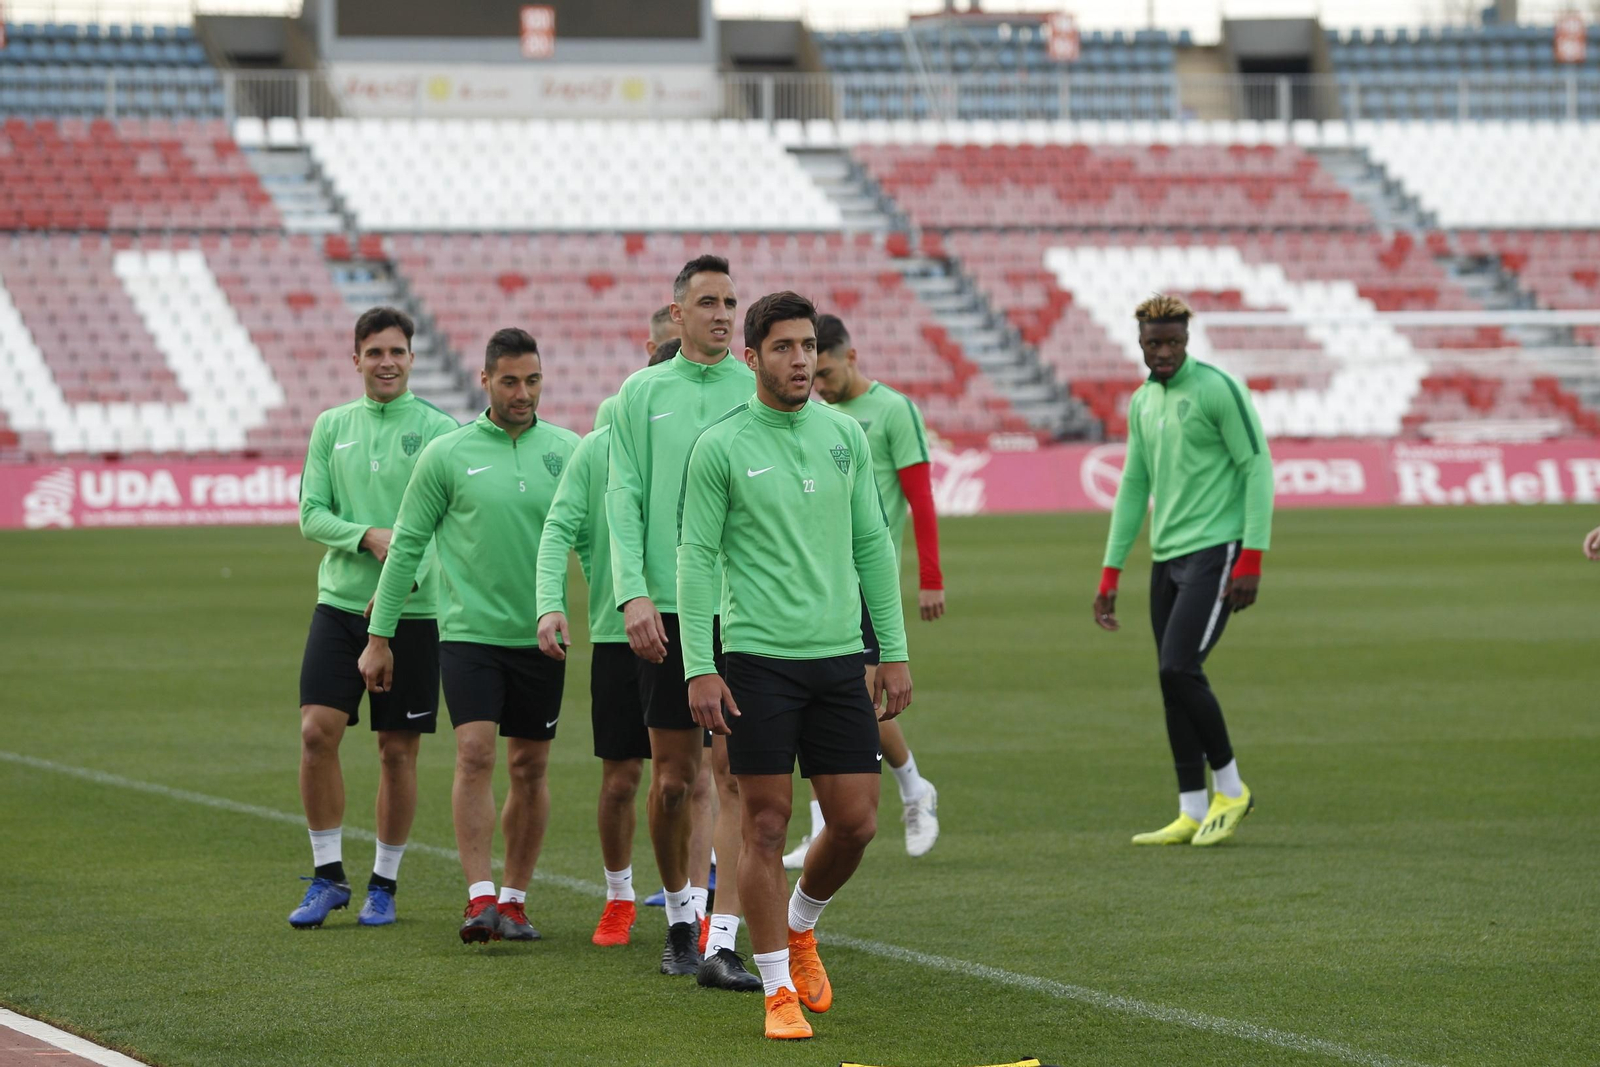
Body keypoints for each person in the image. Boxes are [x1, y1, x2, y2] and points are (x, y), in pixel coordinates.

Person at [678, 291, 912, 1040]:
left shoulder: (845, 435)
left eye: (809, 345)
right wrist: (698, 666)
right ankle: (777, 988)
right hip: (756, 662)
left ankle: (802, 923)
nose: (802, 359)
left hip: (841, 659)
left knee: (856, 823)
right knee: (766, 822)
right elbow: (694, 559)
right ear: (752, 357)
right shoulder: (719, 445)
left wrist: (893, 649)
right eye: (783, 347)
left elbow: (872, 544)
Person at [359, 328, 579, 941]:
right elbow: (405, 548)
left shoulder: (568, 449)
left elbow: (596, 542)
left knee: (531, 766)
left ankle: (514, 900)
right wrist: (380, 636)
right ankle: (478, 896)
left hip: (542, 636)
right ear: (484, 380)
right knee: (476, 753)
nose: (522, 392)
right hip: (468, 634)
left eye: (532, 380)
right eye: (509, 381)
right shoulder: (448, 454)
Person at [607, 254, 761, 990]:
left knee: (732, 771)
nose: (723, 313)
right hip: (664, 608)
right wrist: (632, 593)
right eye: (708, 301)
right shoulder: (640, 395)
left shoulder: (754, 389)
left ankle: (719, 934)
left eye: (731, 300)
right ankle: (677, 913)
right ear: (678, 315)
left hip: (742, 607)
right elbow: (623, 499)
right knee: (672, 778)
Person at [290, 306, 458, 929]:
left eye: (397, 351)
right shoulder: (332, 427)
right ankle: (328, 875)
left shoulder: (441, 429)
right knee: (315, 733)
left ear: (412, 358)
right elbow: (311, 514)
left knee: (396, 751)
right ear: (355, 358)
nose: (386, 362)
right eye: (375, 352)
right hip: (339, 607)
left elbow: (448, 520)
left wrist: (410, 571)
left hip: (414, 611)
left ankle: (383, 884)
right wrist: (369, 536)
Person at [1093, 295, 1274, 848]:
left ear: (1187, 339)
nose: (1164, 351)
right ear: (1141, 343)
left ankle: (1232, 787)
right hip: (1167, 556)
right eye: (1155, 343)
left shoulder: (1218, 389)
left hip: (1217, 551)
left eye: (1174, 341)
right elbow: (1133, 486)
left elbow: (1257, 467)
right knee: (1171, 681)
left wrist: (1253, 557)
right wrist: (1110, 571)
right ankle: (1191, 809)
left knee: (1178, 668)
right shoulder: (1143, 401)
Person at [531, 330, 682, 948]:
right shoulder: (597, 451)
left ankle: (693, 905)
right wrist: (548, 605)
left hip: (701, 627)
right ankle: (619, 895)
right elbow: (557, 528)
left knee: (691, 779)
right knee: (623, 776)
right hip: (621, 636)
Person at [786, 312, 943, 865]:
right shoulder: (812, 416)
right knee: (814, 702)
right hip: (816, 581)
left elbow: (920, 499)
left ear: (850, 358)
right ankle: (828, 823)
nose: (820, 384)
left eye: (826, 372)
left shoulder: (892, 411)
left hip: (863, 585)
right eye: (815, 374)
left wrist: (929, 579)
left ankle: (913, 789)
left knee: (857, 702)